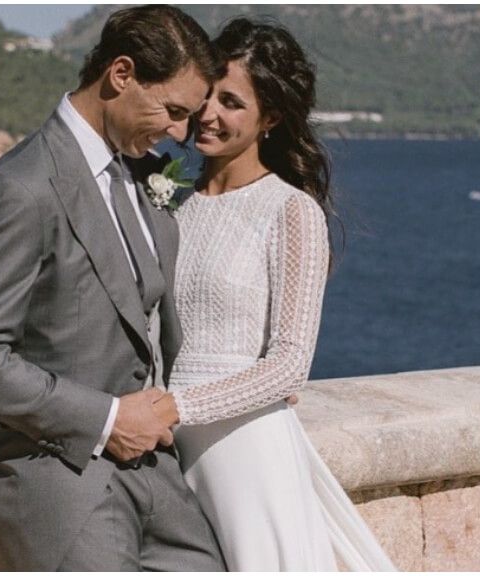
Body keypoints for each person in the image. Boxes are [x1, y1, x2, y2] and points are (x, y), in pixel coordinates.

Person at [0, 6, 225, 571]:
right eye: (172, 111)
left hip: (161, 482)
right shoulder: (21, 189)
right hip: (61, 487)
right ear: (121, 74)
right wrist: (109, 420)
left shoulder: (143, 177)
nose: (181, 134)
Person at [166, 18, 397, 571]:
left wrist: (178, 406)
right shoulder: (168, 198)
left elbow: (291, 365)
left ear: (270, 117)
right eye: (207, 94)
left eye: (232, 102)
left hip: (244, 450)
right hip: (166, 449)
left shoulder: (290, 212)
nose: (209, 114)